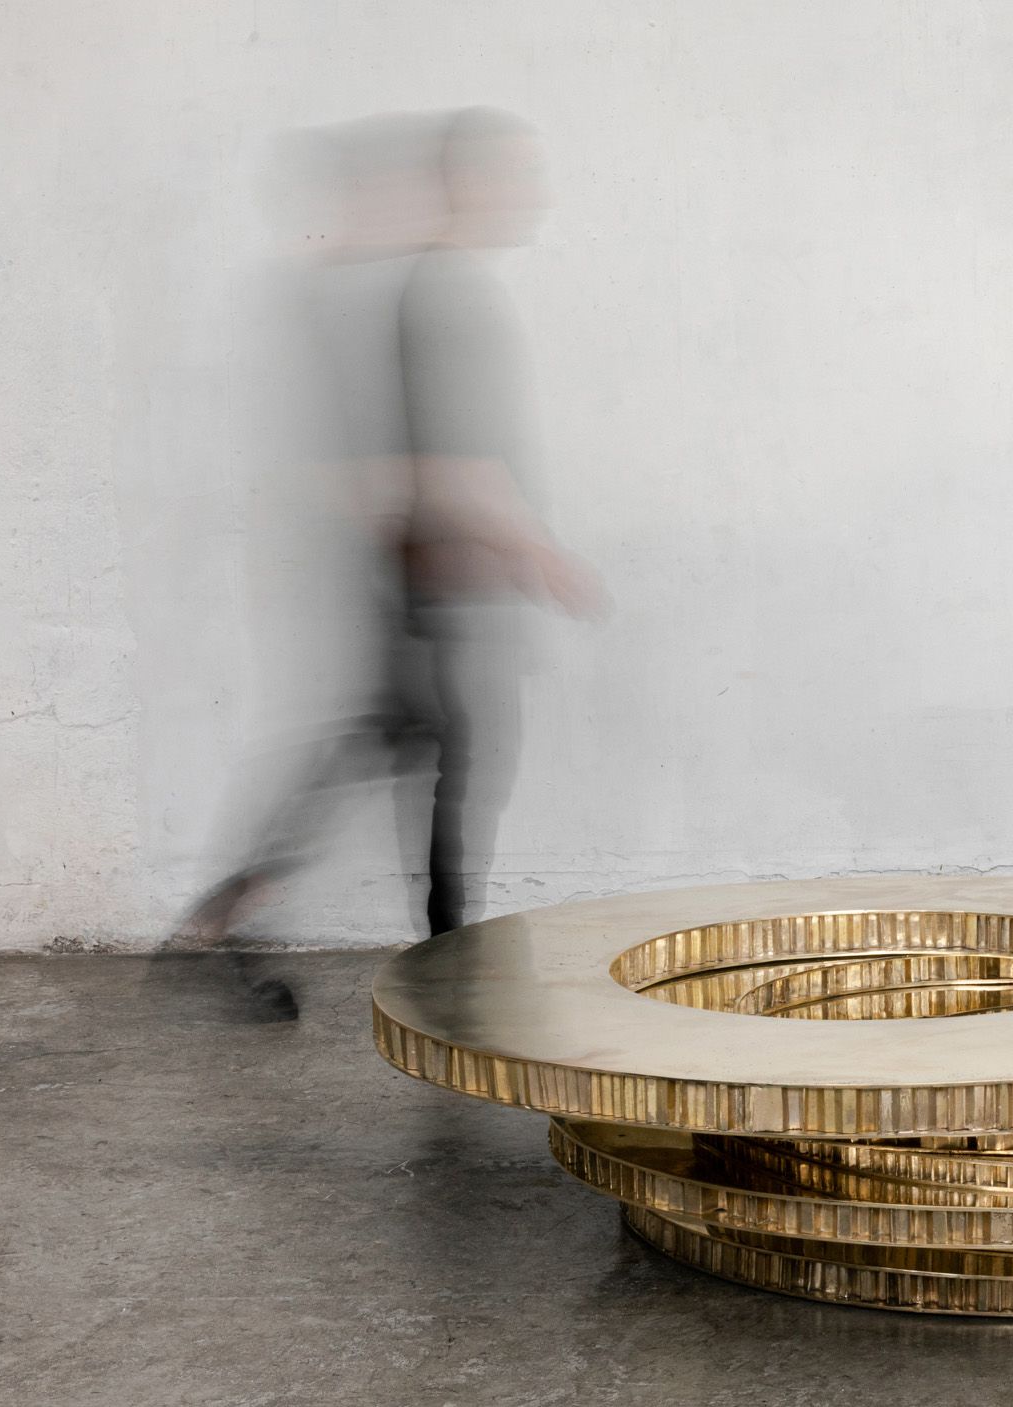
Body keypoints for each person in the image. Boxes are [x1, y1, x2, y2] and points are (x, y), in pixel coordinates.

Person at [163, 108, 608, 1021]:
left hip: (427, 579)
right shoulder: (435, 294)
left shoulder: (408, 290)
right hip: (429, 584)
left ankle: (233, 924)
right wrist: (535, 553)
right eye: (512, 174)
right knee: (446, 765)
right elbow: (442, 460)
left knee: (412, 758)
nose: (529, 195)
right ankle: (443, 969)